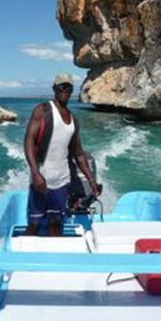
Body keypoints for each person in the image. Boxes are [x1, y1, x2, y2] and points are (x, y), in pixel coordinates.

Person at [24, 72, 101, 236]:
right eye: (62, 86)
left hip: (63, 181)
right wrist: (35, 173)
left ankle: (55, 258)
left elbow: (79, 154)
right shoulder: (42, 110)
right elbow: (28, 141)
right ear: (54, 88)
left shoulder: (73, 119)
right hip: (42, 180)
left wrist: (91, 180)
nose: (65, 90)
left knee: (55, 223)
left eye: (69, 87)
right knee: (34, 224)